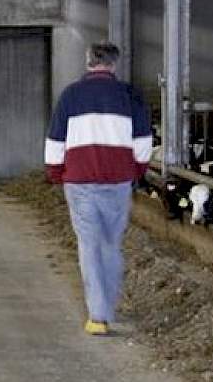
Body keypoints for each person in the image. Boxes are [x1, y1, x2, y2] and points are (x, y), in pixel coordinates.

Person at [44, 41, 151, 336]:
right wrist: (137, 171)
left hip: (80, 181)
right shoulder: (130, 95)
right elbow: (143, 141)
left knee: (88, 245)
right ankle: (108, 305)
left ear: (88, 62)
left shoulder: (71, 95)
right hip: (117, 181)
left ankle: (98, 316)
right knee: (110, 243)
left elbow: (56, 138)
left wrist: (55, 172)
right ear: (114, 64)